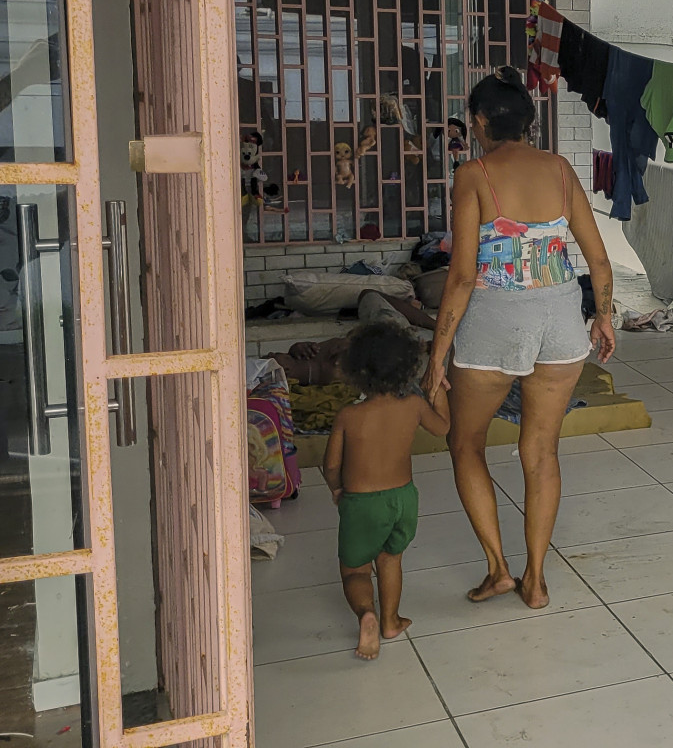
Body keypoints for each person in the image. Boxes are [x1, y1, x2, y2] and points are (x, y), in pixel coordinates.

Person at [427, 67, 615, 608]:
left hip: (493, 323)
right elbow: (597, 259)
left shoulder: (473, 174)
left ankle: (498, 569)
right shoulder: (559, 169)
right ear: (528, 122)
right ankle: (536, 580)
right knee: (541, 452)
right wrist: (602, 317)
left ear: (480, 122)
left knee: (465, 442)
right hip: (560, 322)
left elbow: (462, 276)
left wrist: (439, 351)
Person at [322, 321, 449, 660]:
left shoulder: (349, 415)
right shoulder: (414, 407)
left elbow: (331, 464)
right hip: (404, 499)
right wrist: (438, 388)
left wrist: (336, 488)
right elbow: (443, 428)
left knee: (356, 569)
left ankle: (367, 614)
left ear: (355, 371)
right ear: (408, 368)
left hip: (362, 503)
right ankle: (391, 621)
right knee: (391, 558)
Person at [262, 292, 437, 384]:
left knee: (368, 295)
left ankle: (437, 327)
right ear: (285, 371)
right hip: (396, 344)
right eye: (268, 358)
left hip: (378, 332)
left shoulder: (300, 357)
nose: (270, 352)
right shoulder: (331, 370)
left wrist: (295, 349)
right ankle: (436, 333)